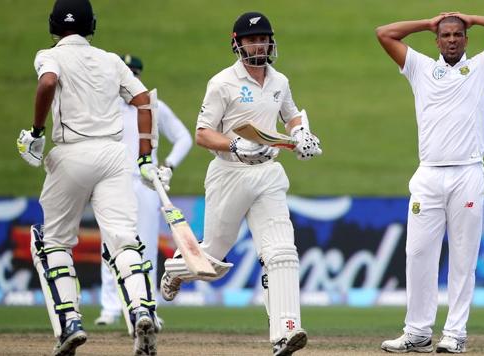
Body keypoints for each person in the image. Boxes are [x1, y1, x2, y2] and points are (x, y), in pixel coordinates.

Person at [159, 11, 322, 356]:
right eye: (251, 39)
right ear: (237, 43)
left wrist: (302, 135)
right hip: (229, 173)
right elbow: (202, 134)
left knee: (281, 252)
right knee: (212, 258)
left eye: (263, 39)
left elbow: (291, 114)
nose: (259, 44)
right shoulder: (222, 83)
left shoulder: (280, 81)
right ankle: (176, 269)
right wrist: (234, 144)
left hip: (269, 175)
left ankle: (286, 332)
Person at [16, 0, 170, 354]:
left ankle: (69, 322)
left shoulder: (48, 55)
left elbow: (48, 83)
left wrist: (37, 130)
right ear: (91, 26)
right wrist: (145, 155)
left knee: (54, 242)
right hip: (114, 156)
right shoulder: (111, 59)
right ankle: (142, 310)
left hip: (71, 154)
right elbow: (144, 100)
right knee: (123, 240)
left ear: (54, 25)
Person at [375, 12, 484, 353]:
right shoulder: (420, 67)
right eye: (446, 35)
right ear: (437, 41)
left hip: (467, 172)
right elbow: (384, 33)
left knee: (462, 257)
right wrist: (427, 22)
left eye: (459, 34)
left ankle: (455, 334)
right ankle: (418, 332)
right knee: (417, 253)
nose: (453, 40)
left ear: (467, 39)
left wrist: (471, 17)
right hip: (428, 173)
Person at [94, 54, 193, 327]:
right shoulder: (106, 107)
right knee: (111, 244)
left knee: (147, 248)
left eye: (133, 75)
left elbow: (184, 137)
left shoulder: (152, 104)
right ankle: (110, 307)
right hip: (112, 182)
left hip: (146, 182)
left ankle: (147, 307)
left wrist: (169, 165)